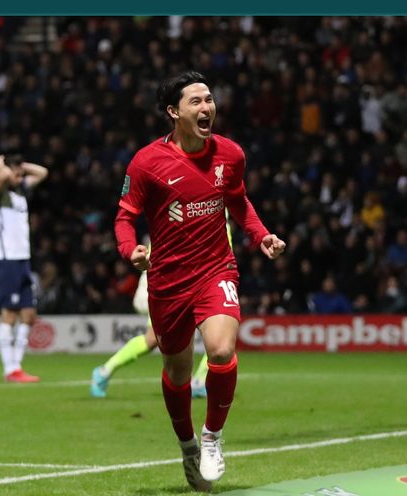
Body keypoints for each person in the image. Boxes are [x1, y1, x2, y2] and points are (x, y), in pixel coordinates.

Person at [114, 72, 286, 490]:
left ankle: (212, 436)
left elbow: (239, 201)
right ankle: (188, 445)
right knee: (176, 370)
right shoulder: (146, 162)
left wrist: (260, 234)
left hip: (216, 270)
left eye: (209, 99)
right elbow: (124, 216)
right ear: (174, 112)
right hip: (168, 281)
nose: (207, 107)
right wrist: (130, 250)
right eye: (196, 101)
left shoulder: (230, 154)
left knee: (222, 350)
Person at [90, 270, 209, 399]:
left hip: (197, 277)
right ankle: (104, 371)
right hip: (167, 278)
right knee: (152, 339)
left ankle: (200, 381)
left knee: (216, 330)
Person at [0, 154, 48, 383]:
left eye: (21, 175)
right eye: (16, 174)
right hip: (6, 260)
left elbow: (42, 172)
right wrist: (1, 167)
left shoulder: (20, 193)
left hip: (23, 261)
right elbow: (3, 178)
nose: (20, 178)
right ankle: (10, 369)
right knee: (9, 314)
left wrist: (20, 166)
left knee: (29, 315)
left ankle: (17, 367)